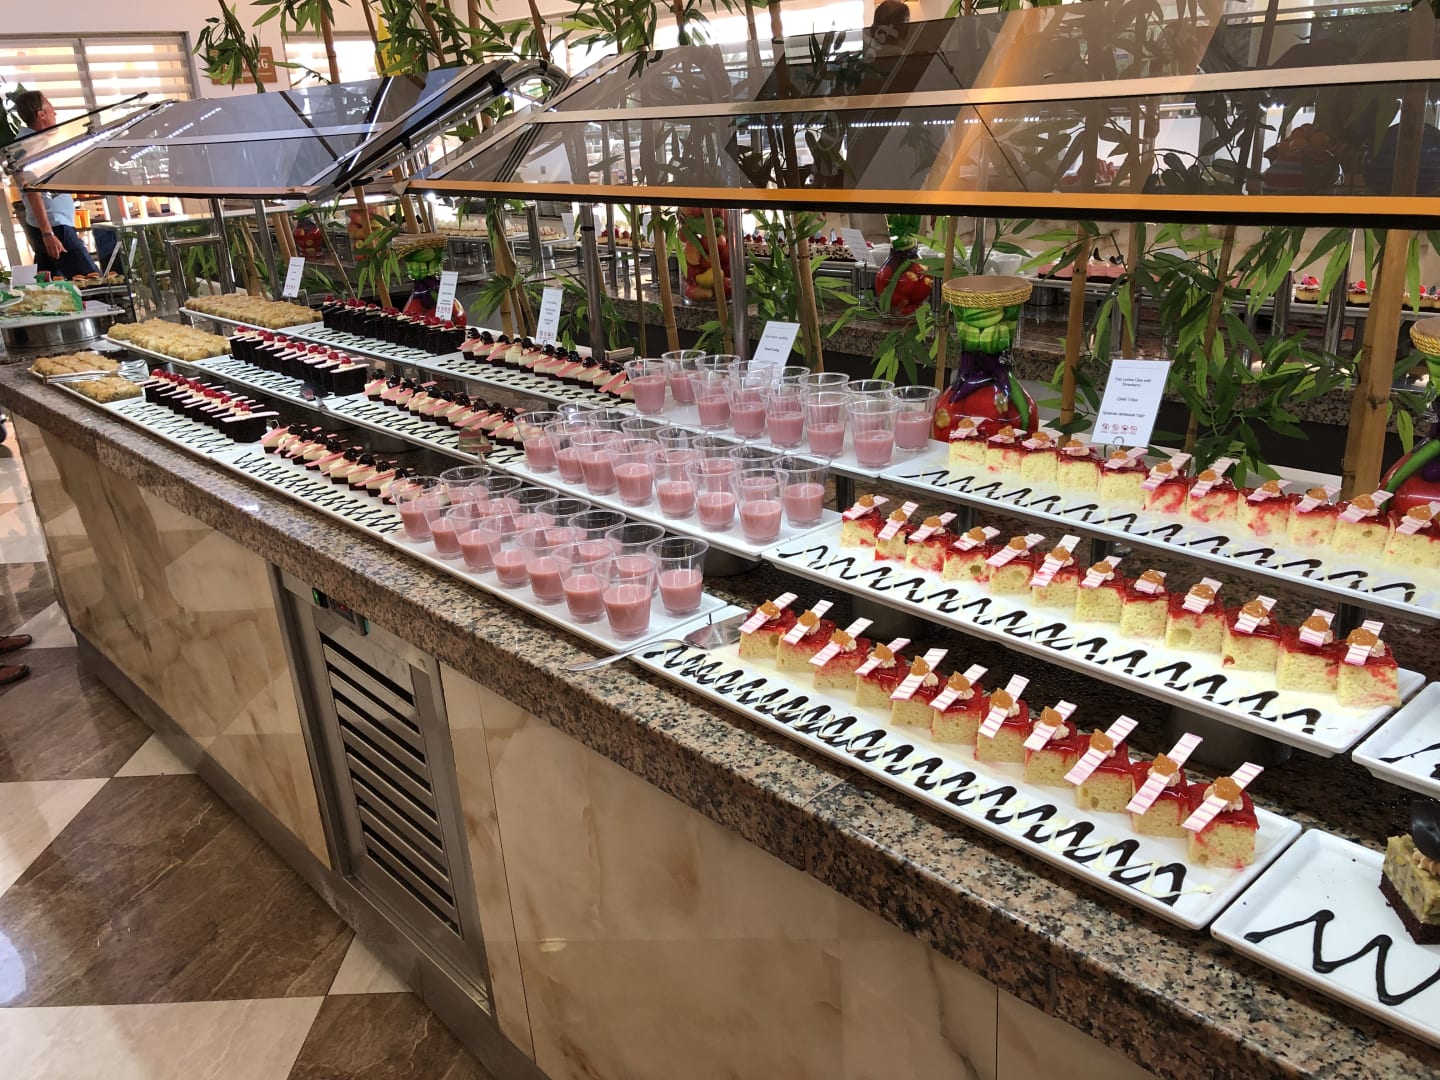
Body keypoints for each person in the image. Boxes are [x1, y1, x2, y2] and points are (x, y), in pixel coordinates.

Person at [12, 91, 99, 278]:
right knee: (93, 281)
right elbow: (32, 190)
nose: (55, 113)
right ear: (41, 115)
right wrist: (48, 234)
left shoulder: (36, 144)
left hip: (51, 226)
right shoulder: (29, 147)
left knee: (51, 286)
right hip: (54, 226)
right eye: (50, 108)